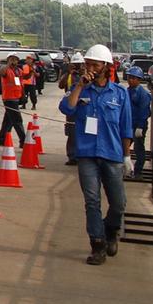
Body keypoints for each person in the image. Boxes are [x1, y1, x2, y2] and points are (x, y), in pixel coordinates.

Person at [60, 44, 132, 265]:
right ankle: (97, 244)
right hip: (87, 154)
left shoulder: (119, 94)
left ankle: (111, 231)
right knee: (92, 201)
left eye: (94, 64)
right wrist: (80, 87)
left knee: (118, 203)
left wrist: (127, 156)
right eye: (87, 64)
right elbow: (67, 108)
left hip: (112, 154)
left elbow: (125, 127)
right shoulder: (82, 90)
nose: (90, 68)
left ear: (106, 67)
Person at [124, 66, 152, 180]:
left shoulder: (142, 94)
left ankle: (138, 172)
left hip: (138, 125)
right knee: (124, 147)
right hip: (129, 124)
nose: (131, 80)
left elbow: (144, 111)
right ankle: (127, 169)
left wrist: (140, 126)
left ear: (139, 80)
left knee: (138, 148)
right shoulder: (128, 91)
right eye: (130, 77)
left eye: (134, 78)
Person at [58, 53, 85, 165]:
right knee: (72, 132)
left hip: (83, 106)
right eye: (75, 65)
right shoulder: (69, 75)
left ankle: (82, 154)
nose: (77, 67)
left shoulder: (86, 74)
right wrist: (68, 72)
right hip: (71, 106)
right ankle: (72, 156)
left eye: (79, 65)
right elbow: (61, 85)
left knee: (84, 131)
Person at [0, 55, 26, 148]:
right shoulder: (6, 69)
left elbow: (22, 82)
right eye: (12, 60)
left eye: (15, 60)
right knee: (17, 120)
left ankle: (1, 139)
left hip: (16, 98)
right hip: (9, 98)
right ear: (8, 60)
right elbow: (0, 73)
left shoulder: (18, 71)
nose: (14, 61)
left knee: (8, 121)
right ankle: (23, 140)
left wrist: (23, 96)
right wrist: (7, 65)